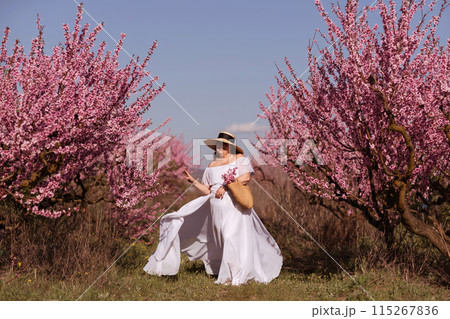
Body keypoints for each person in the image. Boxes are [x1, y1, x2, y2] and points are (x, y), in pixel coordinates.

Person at [143, 131, 282, 286]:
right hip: (216, 207)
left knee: (231, 236)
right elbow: (209, 190)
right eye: (218, 145)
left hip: (233, 204)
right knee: (222, 238)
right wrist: (193, 182)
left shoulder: (239, 159)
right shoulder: (212, 165)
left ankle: (235, 276)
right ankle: (227, 271)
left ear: (230, 147)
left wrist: (226, 187)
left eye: (224, 145)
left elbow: (246, 177)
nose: (220, 148)